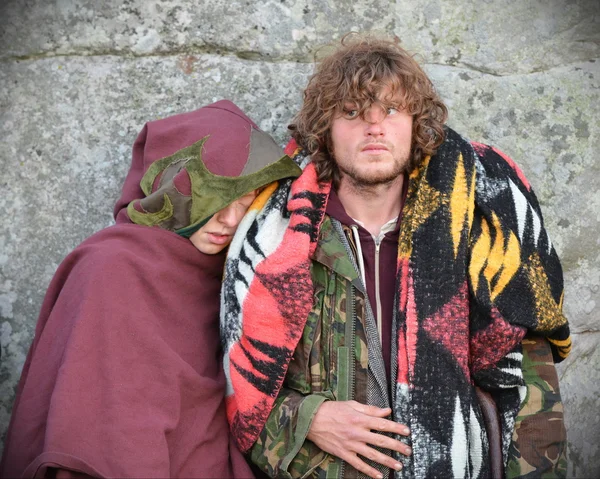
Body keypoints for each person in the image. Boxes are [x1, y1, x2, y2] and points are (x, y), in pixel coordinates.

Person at [219, 37, 571, 479]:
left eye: (391, 110)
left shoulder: (478, 236)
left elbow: (531, 391)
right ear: (324, 130)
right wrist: (307, 417)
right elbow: (238, 386)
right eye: (351, 112)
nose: (374, 127)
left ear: (416, 125)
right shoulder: (276, 239)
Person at [0, 100, 301, 478]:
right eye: (216, 200)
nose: (229, 220)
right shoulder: (114, 266)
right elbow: (97, 430)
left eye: (244, 204)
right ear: (173, 185)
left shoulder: (233, 275)